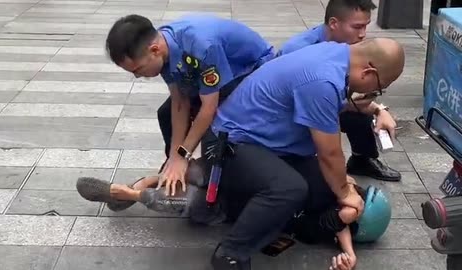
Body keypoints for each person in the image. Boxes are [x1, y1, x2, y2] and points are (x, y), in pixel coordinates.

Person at [207, 37, 404, 270]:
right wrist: (345, 191)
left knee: (324, 186)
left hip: (269, 145)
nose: (376, 92)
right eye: (380, 87)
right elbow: (330, 153)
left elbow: (340, 105)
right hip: (230, 144)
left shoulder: (336, 56)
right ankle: (230, 252)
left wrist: (378, 109)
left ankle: (275, 219)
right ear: (368, 72)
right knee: (289, 188)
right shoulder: (323, 79)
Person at [76, 160, 392, 270]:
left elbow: (337, 226)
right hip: (233, 197)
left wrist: (349, 250)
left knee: (192, 184)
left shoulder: (328, 205)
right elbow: (336, 224)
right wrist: (348, 234)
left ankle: (140, 186)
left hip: (235, 178)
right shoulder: (322, 209)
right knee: (192, 199)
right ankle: (135, 191)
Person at [105, 14, 275, 197]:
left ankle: (202, 181)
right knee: (165, 114)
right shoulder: (163, 48)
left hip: (252, 73)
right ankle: (172, 173)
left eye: (137, 69)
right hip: (219, 72)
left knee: (214, 132)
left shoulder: (201, 46)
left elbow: (209, 108)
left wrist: (182, 154)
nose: (137, 76)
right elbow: (179, 103)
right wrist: (175, 155)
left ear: (155, 50)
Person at [277, 0, 401, 182]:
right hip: (287, 117)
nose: (362, 35)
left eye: (366, 26)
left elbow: (347, 95)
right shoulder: (300, 50)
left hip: (318, 103)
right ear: (334, 23)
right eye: (357, 27)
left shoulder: (347, 46)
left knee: (360, 103)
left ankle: (362, 159)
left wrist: (379, 110)